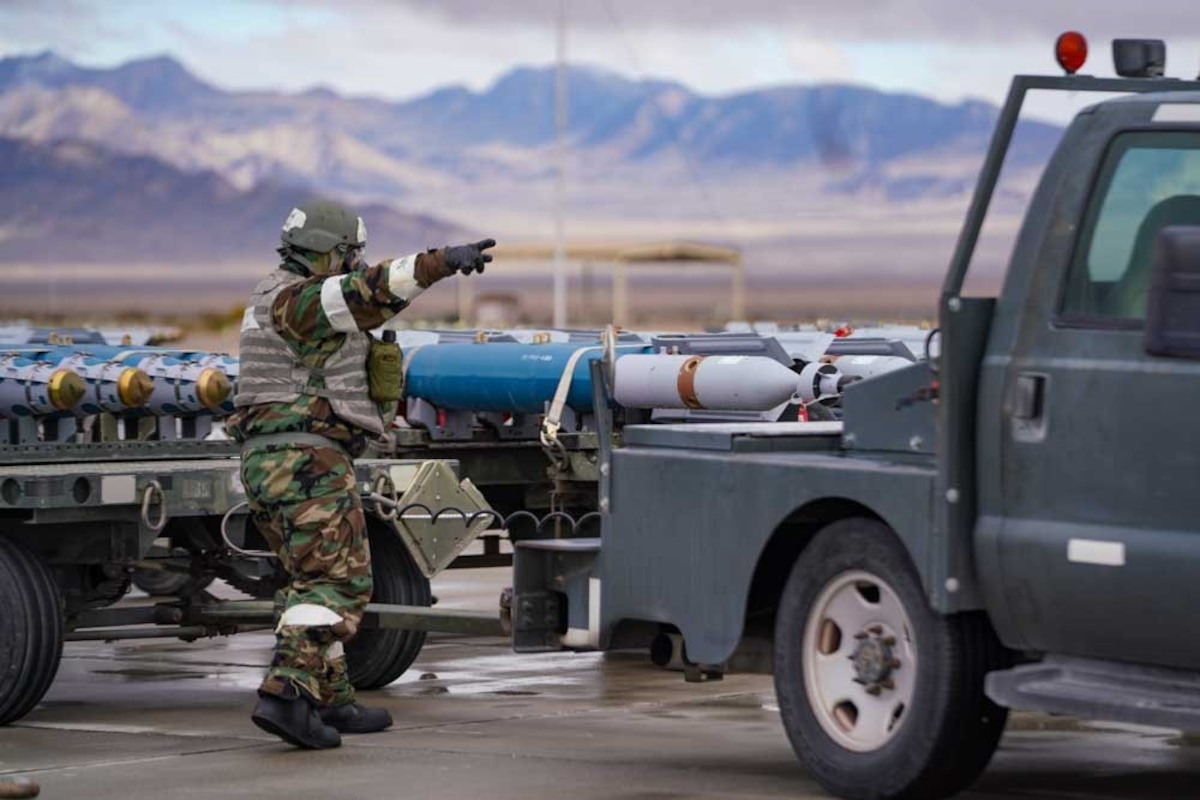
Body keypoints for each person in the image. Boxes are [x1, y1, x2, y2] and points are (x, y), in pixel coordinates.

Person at [227, 200, 494, 749]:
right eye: (349, 255)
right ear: (329, 252)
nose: (353, 264)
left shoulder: (276, 296)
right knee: (337, 583)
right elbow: (365, 293)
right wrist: (438, 262)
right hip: (305, 461)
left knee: (311, 582)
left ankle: (332, 699)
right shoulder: (297, 299)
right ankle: (286, 695)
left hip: (284, 459)